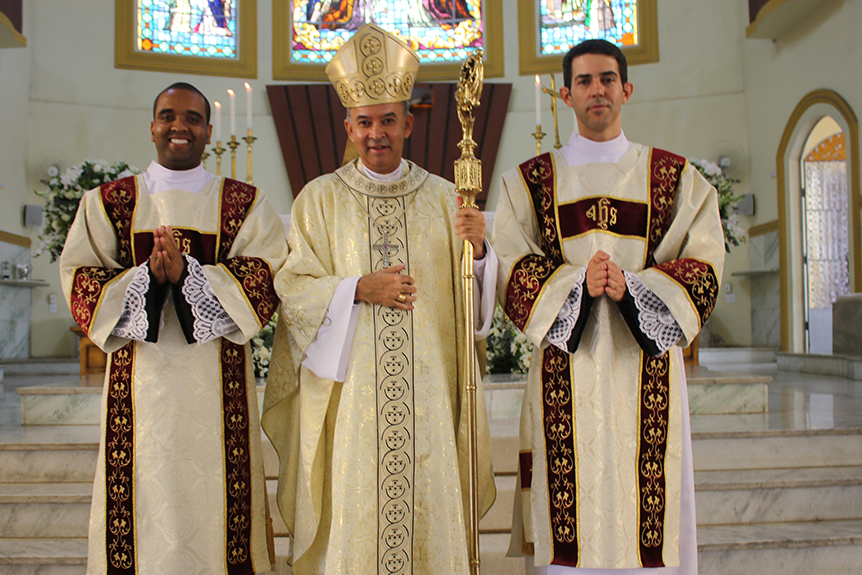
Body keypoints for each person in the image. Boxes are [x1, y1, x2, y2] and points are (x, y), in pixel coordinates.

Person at [263, 24, 498, 575]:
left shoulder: (446, 198)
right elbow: (293, 289)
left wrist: (480, 250)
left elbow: (478, 309)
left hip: (431, 396)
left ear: (408, 123)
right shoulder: (318, 200)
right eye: (364, 122)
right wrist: (356, 289)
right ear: (349, 126)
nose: (376, 133)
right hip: (353, 404)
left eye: (388, 120)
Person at [492, 40, 725, 574]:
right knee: (568, 515)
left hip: (646, 372)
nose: (596, 90)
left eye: (606, 79)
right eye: (584, 81)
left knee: (648, 519)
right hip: (565, 369)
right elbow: (509, 264)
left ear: (627, 89)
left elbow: (706, 262)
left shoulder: (673, 178)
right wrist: (575, 283)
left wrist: (636, 288)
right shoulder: (530, 183)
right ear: (566, 94)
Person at [60, 82, 286, 575]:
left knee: (217, 499)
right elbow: (80, 279)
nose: (178, 126)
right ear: (152, 126)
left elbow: (268, 274)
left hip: (219, 387)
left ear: (208, 130)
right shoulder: (109, 204)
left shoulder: (243, 203)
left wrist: (190, 277)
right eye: (167, 115)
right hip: (138, 390)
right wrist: (146, 279)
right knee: (146, 491)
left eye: (190, 118)